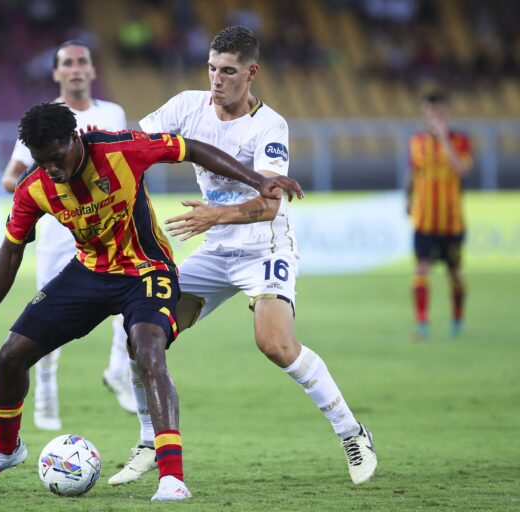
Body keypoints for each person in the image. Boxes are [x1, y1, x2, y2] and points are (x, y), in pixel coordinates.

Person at [0, 102, 303, 501]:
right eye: (41, 160)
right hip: (89, 273)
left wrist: (257, 179)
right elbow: (10, 253)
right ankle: (6, 450)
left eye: (56, 157)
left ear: (74, 138)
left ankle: (172, 477)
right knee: (10, 356)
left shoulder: (121, 150)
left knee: (147, 347)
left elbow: (188, 147)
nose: (51, 168)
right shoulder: (34, 187)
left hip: (147, 270)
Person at [107, 25, 378, 488]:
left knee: (275, 344)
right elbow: (131, 143)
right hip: (214, 251)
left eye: (228, 71)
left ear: (251, 73)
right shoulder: (186, 106)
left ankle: (352, 433)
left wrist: (216, 214)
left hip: (264, 247)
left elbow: (270, 204)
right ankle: (150, 442)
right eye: (212, 68)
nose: (217, 79)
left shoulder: (270, 126)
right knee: (142, 332)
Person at [2, 40, 136, 431]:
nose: (76, 69)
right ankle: (45, 397)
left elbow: (123, 160)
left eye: (82, 62)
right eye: (67, 63)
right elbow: (11, 175)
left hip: (112, 230)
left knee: (129, 303)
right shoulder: (45, 121)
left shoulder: (113, 113)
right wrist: (46, 194)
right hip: (61, 237)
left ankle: (118, 372)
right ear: (57, 73)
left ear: (93, 70)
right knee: (48, 322)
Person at [406, 91, 473, 338]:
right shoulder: (416, 141)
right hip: (424, 219)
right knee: (421, 269)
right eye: (430, 112)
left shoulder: (460, 141)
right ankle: (422, 322)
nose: (434, 116)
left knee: (454, 273)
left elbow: (462, 170)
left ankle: (457, 318)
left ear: (446, 112)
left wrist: (444, 140)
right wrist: (407, 198)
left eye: (438, 111)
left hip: (451, 222)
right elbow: (412, 172)